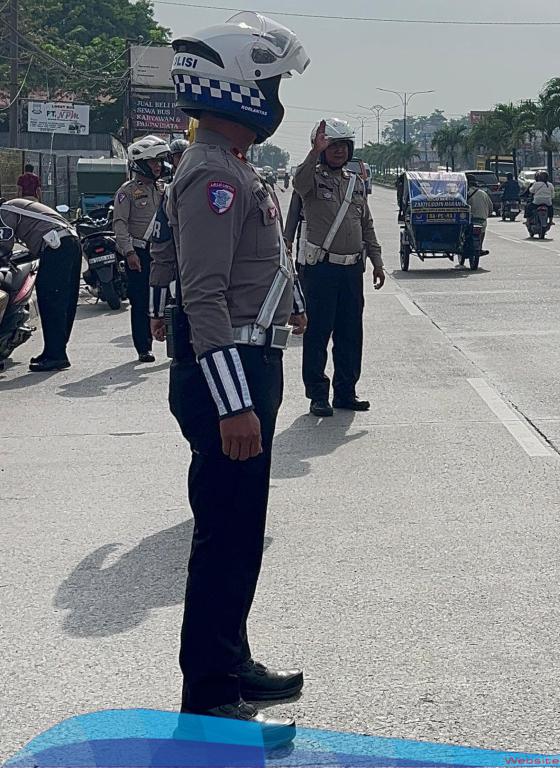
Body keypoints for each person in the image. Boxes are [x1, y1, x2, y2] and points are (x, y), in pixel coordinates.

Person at [164, 12, 309, 742]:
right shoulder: (212, 174)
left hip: (250, 363)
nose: (279, 94)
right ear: (240, 90)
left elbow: (254, 271)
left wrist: (294, 309)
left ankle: (231, 660)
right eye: (272, 81)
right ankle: (210, 697)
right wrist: (234, 404)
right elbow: (204, 295)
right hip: (230, 376)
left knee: (242, 531)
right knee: (224, 535)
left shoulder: (232, 163)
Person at [294, 118, 384, 418]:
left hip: (351, 271)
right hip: (321, 270)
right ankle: (318, 394)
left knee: (350, 334)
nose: (339, 151)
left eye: (344, 146)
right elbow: (299, 183)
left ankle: (346, 391)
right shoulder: (311, 179)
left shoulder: (354, 183)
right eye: (332, 146)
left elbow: (365, 223)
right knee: (318, 333)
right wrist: (313, 152)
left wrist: (376, 260)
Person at [0, 198, 80, 371]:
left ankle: (56, 355)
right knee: (64, 301)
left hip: (56, 247)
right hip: (69, 242)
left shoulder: (4, 211)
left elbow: (3, 243)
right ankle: (54, 351)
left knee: (50, 301)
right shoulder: (16, 205)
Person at [112, 136, 170, 363]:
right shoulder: (126, 192)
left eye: (158, 161)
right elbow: (120, 224)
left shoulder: (164, 189)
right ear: (139, 163)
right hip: (140, 253)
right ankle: (144, 347)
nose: (157, 166)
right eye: (152, 162)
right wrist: (129, 252)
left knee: (169, 298)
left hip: (164, 254)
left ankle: (173, 341)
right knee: (141, 302)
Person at [468, 176, 492, 256]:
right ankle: (480, 247)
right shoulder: (484, 194)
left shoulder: (465, 193)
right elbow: (490, 208)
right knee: (482, 232)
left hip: (468, 221)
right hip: (482, 220)